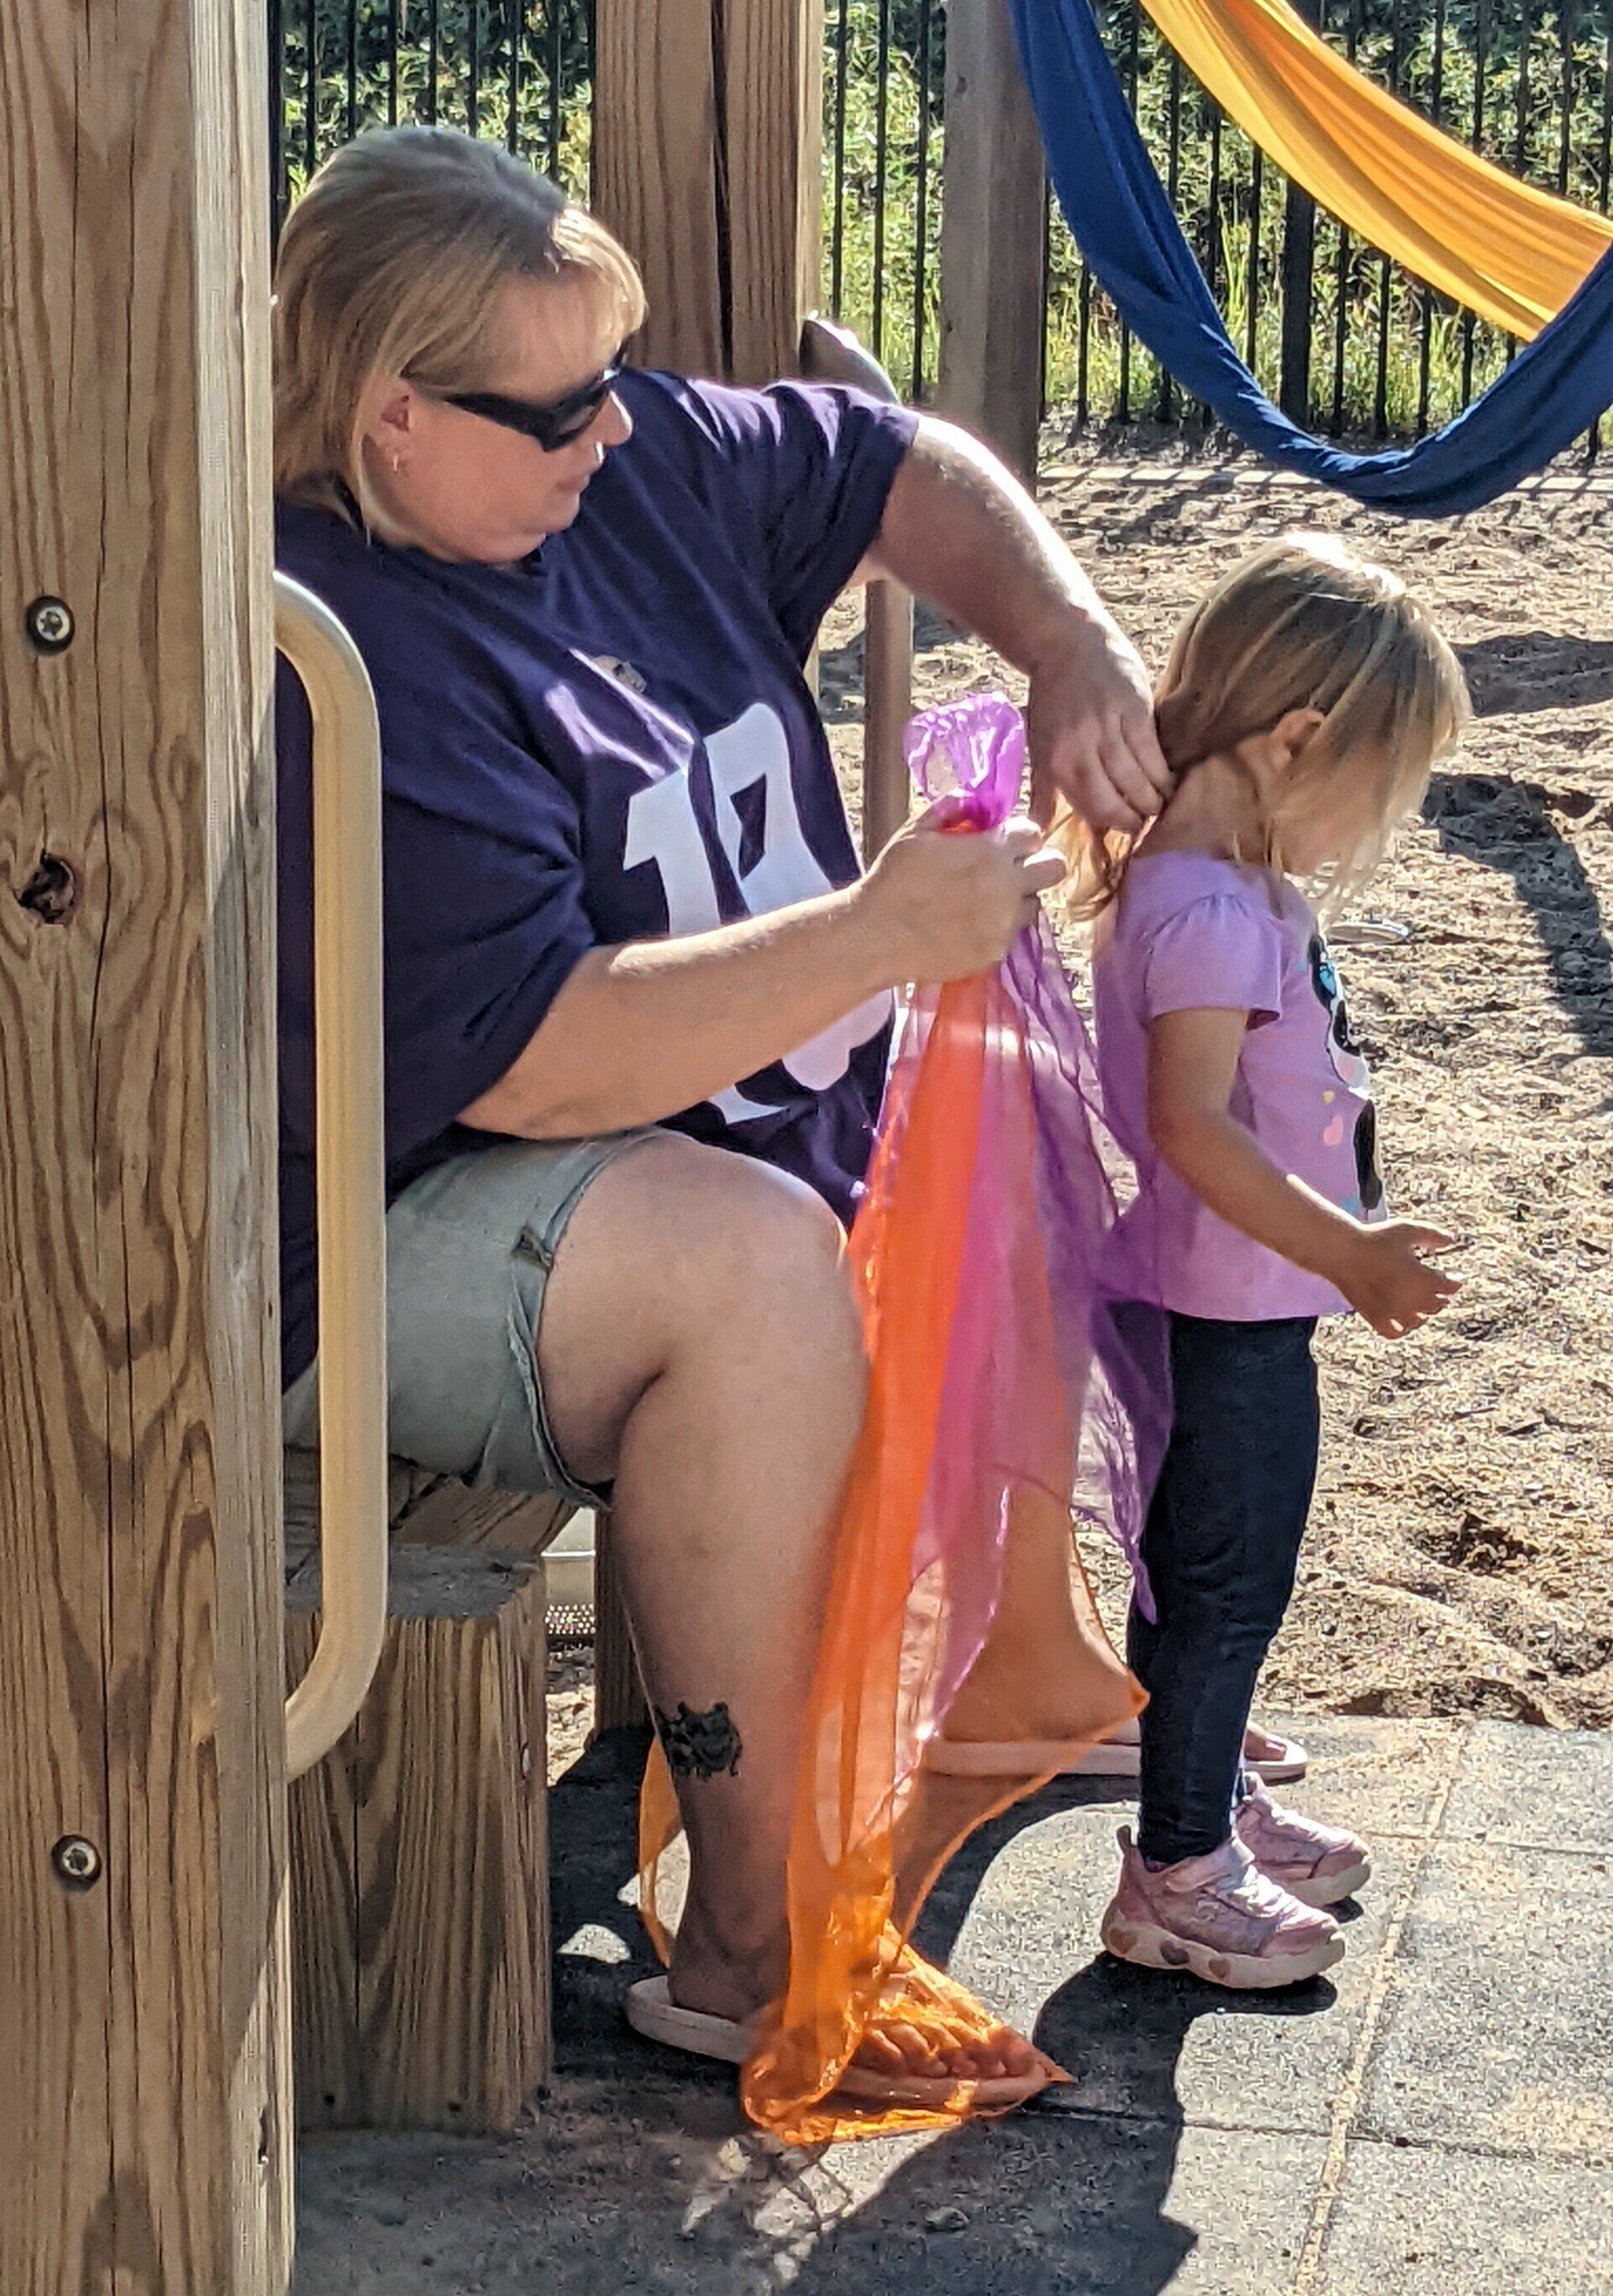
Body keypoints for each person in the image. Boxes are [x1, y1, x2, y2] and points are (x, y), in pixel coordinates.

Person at [272, 123, 1171, 2102]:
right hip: (363, 1233)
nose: (615, 428)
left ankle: (1018, 1667)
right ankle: (753, 1954)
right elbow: (537, 1061)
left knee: (1000, 1102)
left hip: (636, 1145)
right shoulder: (344, 642)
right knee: (756, 1270)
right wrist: (867, 934)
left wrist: (1075, 640)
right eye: (562, 402)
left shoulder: (614, 461)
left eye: (618, 377)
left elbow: (895, 469)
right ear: (392, 416)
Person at [1067, 533, 1469, 1989]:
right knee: (1224, 1586)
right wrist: (1349, 1252)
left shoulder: (1205, 886)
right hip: (1225, 1312)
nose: (1373, 826)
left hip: (1227, 1303)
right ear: (1295, 735)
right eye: (1374, 788)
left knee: (1199, 1578)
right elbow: (1190, 1125)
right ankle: (1176, 1871)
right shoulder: (1212, 911)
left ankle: (1205, 1801)